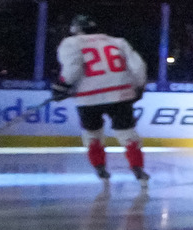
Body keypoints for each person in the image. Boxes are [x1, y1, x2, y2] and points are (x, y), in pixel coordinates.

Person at [53, 14, 150, 183]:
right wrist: (139, 86)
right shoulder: (118, 42)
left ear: (76, 30)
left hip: (88, 97)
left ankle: (100, 167)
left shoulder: (70, 43)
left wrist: (62, 86)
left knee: (92, 134)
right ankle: (137, 167)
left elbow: (73, 68)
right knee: (127, 133)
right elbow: (138, 66)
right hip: (120, 93)